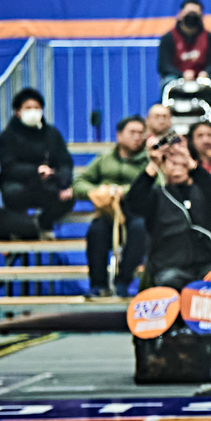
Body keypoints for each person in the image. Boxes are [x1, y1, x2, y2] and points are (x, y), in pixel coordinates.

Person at [126, 131, 211, 289]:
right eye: (170, 159)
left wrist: (190, 161)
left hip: (210, 263)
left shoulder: (204, 189)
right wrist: (154, 164)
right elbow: (133, 203)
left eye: (180, 158)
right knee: (170, 282)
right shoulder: (157, 196)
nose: (176, 162)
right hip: (170, 267)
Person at [71, 115, 149, 297]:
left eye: (141, 133)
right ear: (119, 135)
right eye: (132, 132)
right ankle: (98, 285)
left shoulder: (149, 161)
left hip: (137, 212)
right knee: (96, 231)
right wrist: (96, 191)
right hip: (108, 211)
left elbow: (157, 185)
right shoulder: (104, 160)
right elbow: (79, 183)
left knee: (140, 229)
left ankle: (123, 281)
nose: (137, 137)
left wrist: (124, 191)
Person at [0, 88, 74, 233]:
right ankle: (22, 229)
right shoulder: (8, 136)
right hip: (19, 183)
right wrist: (36, 171)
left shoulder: (51, 134)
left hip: (47, 183)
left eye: (37, 108)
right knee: (12, 193)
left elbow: (64, 162)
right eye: (28, 108)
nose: (33, 111)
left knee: (68, 197)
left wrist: (63, 182)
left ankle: (41, 225)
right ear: (17, 112)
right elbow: (9, 167)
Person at [158, 0, 211, 81]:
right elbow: (164, 66)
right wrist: (181, 74)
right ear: (180, 14)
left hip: (203, 79)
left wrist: (206, 73)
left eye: (195, 13)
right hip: (177, 79)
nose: (191, 16)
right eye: (188, 13)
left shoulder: (209, 38)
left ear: (201, 16)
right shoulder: (168, 38)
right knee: (168, 80)